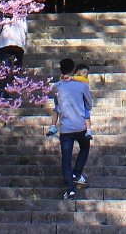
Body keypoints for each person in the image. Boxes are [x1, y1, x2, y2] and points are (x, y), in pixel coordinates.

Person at [51, 56, 93, 198]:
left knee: (66, 158)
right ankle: (77, 172)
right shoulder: (82, 86)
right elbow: (89, 105)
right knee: (85, 147)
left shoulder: (56, 87)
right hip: (80, 126)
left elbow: (57, 106)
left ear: (61, 70)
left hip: (65, 127)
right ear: (73, 70)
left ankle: (70, 189)